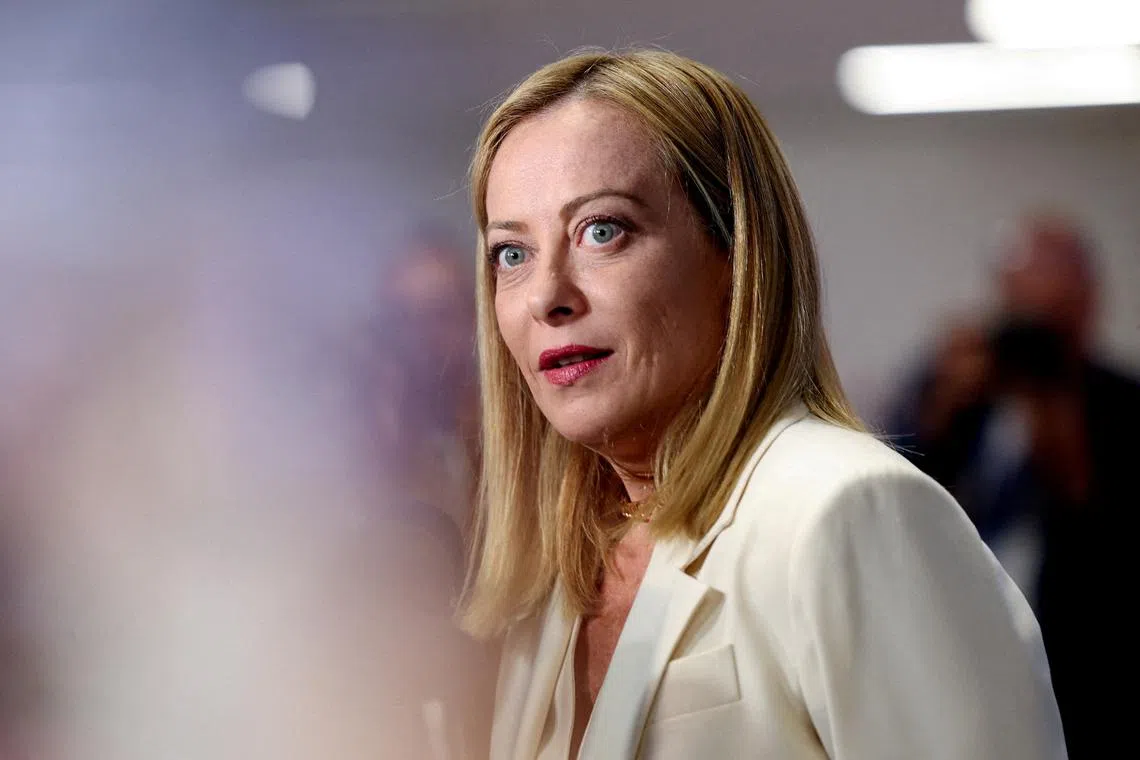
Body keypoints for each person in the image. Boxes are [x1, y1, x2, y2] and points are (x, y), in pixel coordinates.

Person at [459, 49, 1065, 760]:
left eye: (602, 230)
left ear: (735, 255)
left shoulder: (850, 511)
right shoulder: (554, 576)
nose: (546, 295)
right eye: (511, 253)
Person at [886, 211, 1140, 758]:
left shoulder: (1123, 406)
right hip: (962, 665)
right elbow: (892, 499)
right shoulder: (960, 391)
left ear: (1090, 302)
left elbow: (1114, 553)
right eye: (1021, 307)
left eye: (1052, 315)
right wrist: (942, 406)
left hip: (1088, 681)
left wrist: (1064, 440)